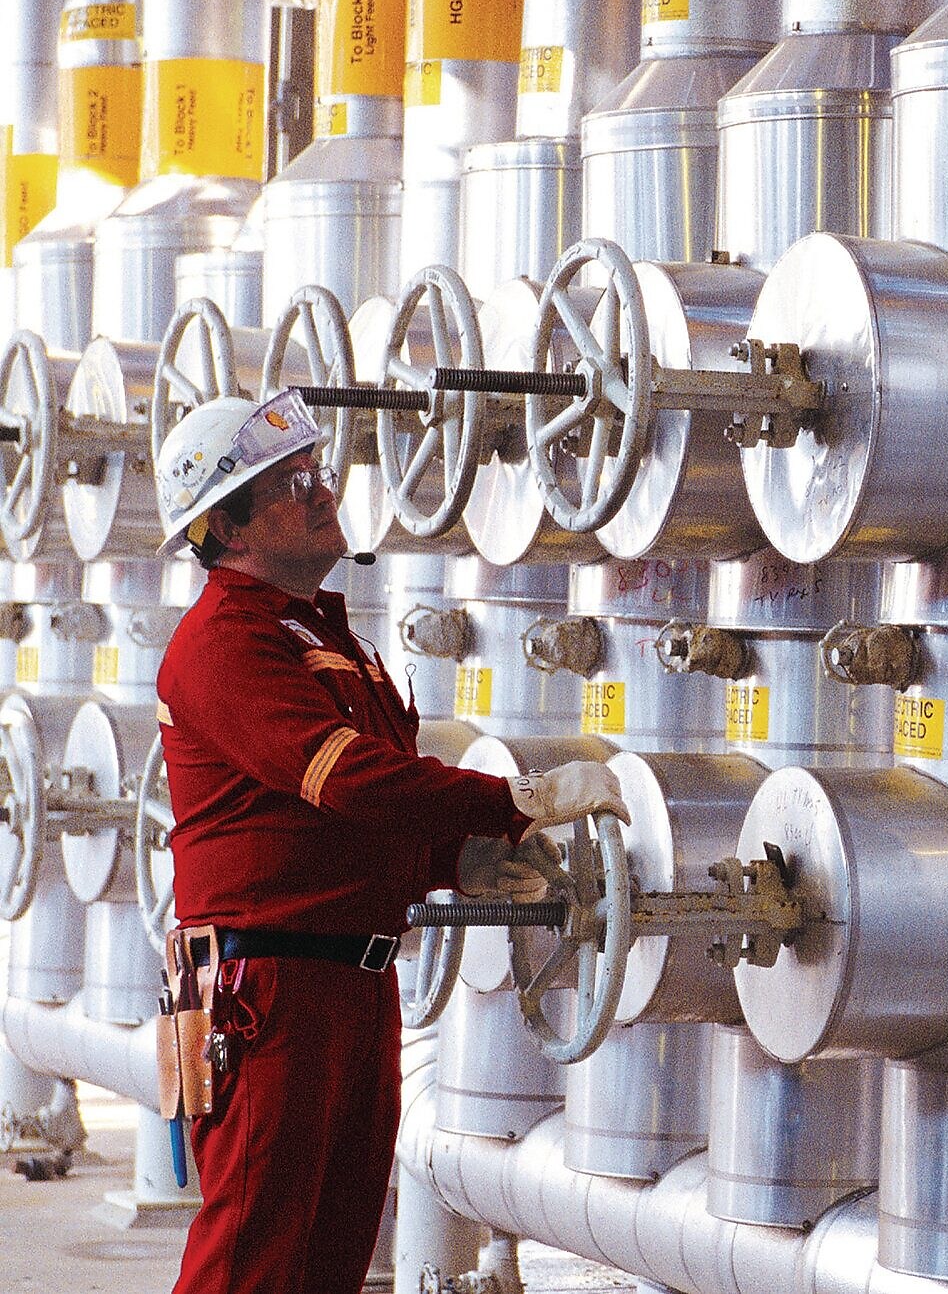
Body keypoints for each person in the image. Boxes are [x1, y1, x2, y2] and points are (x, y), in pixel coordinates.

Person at [149, 389, 627, 1294]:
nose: (321, 491)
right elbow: (350, 778)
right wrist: (514, 802)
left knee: (328, 1263)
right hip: (269, 992)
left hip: (351, 982)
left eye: (315, 471)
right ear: (228, 527)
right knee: (254, 1262)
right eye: (290, 483)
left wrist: (459, 860)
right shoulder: (223, 643)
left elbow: (359, 821)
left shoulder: (327, 639)